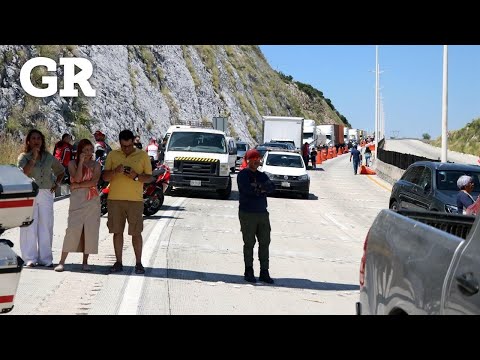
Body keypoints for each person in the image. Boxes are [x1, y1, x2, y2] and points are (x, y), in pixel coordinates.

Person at [102, 129, 153, 274]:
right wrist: (115, 172)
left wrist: (136, 176)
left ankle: (138, 263)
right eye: (123, 146)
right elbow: (105, 177)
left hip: (135, 201)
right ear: (119, 143)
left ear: (133, 142)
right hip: (115, 200)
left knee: (136, 233)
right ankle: (118, 262)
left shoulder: (142, 155)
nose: (126, 149)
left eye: (129, 146)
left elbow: (149, 178)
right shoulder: (113, 155)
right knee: (117, 232)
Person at [17, 129, 65, 267]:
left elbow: (61, 171)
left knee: (46, 225)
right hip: (29, 193)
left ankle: (46, 258)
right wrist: (33, 158)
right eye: (33, 138)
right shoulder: (23, 157)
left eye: (39, 138)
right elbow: (23, 173)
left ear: (42, 141)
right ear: (28, 141)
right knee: (29, 226)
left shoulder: (48, 157)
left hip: (46, 193)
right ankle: (30, 258)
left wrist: (57, 183)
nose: (36, 141)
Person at [54, 139, 101, 272]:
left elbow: (94, 181)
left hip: (92, 200)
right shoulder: (72, 163)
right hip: (77, 200)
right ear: (80, 151)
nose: (88, 152)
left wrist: (78, 185)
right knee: (72, 229)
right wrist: (80, 162)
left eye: (90, 149)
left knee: (90, 229)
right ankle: (62, 261)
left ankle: (85, 261)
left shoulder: (96, 165)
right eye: (85, 150)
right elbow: (78, 177)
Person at [237, 149, 275, 284]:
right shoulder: (242, 175)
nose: (257, 161)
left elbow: (272, 187)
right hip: (248, 213)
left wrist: (258, 188)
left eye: (258, 159)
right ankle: (249, 270)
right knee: (249, 243)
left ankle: (264, 271)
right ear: (249, 161)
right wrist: (260, 188)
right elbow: (248, 191)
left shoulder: (262, 175)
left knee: (265, 243)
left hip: (262, 213)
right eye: (254, 159)